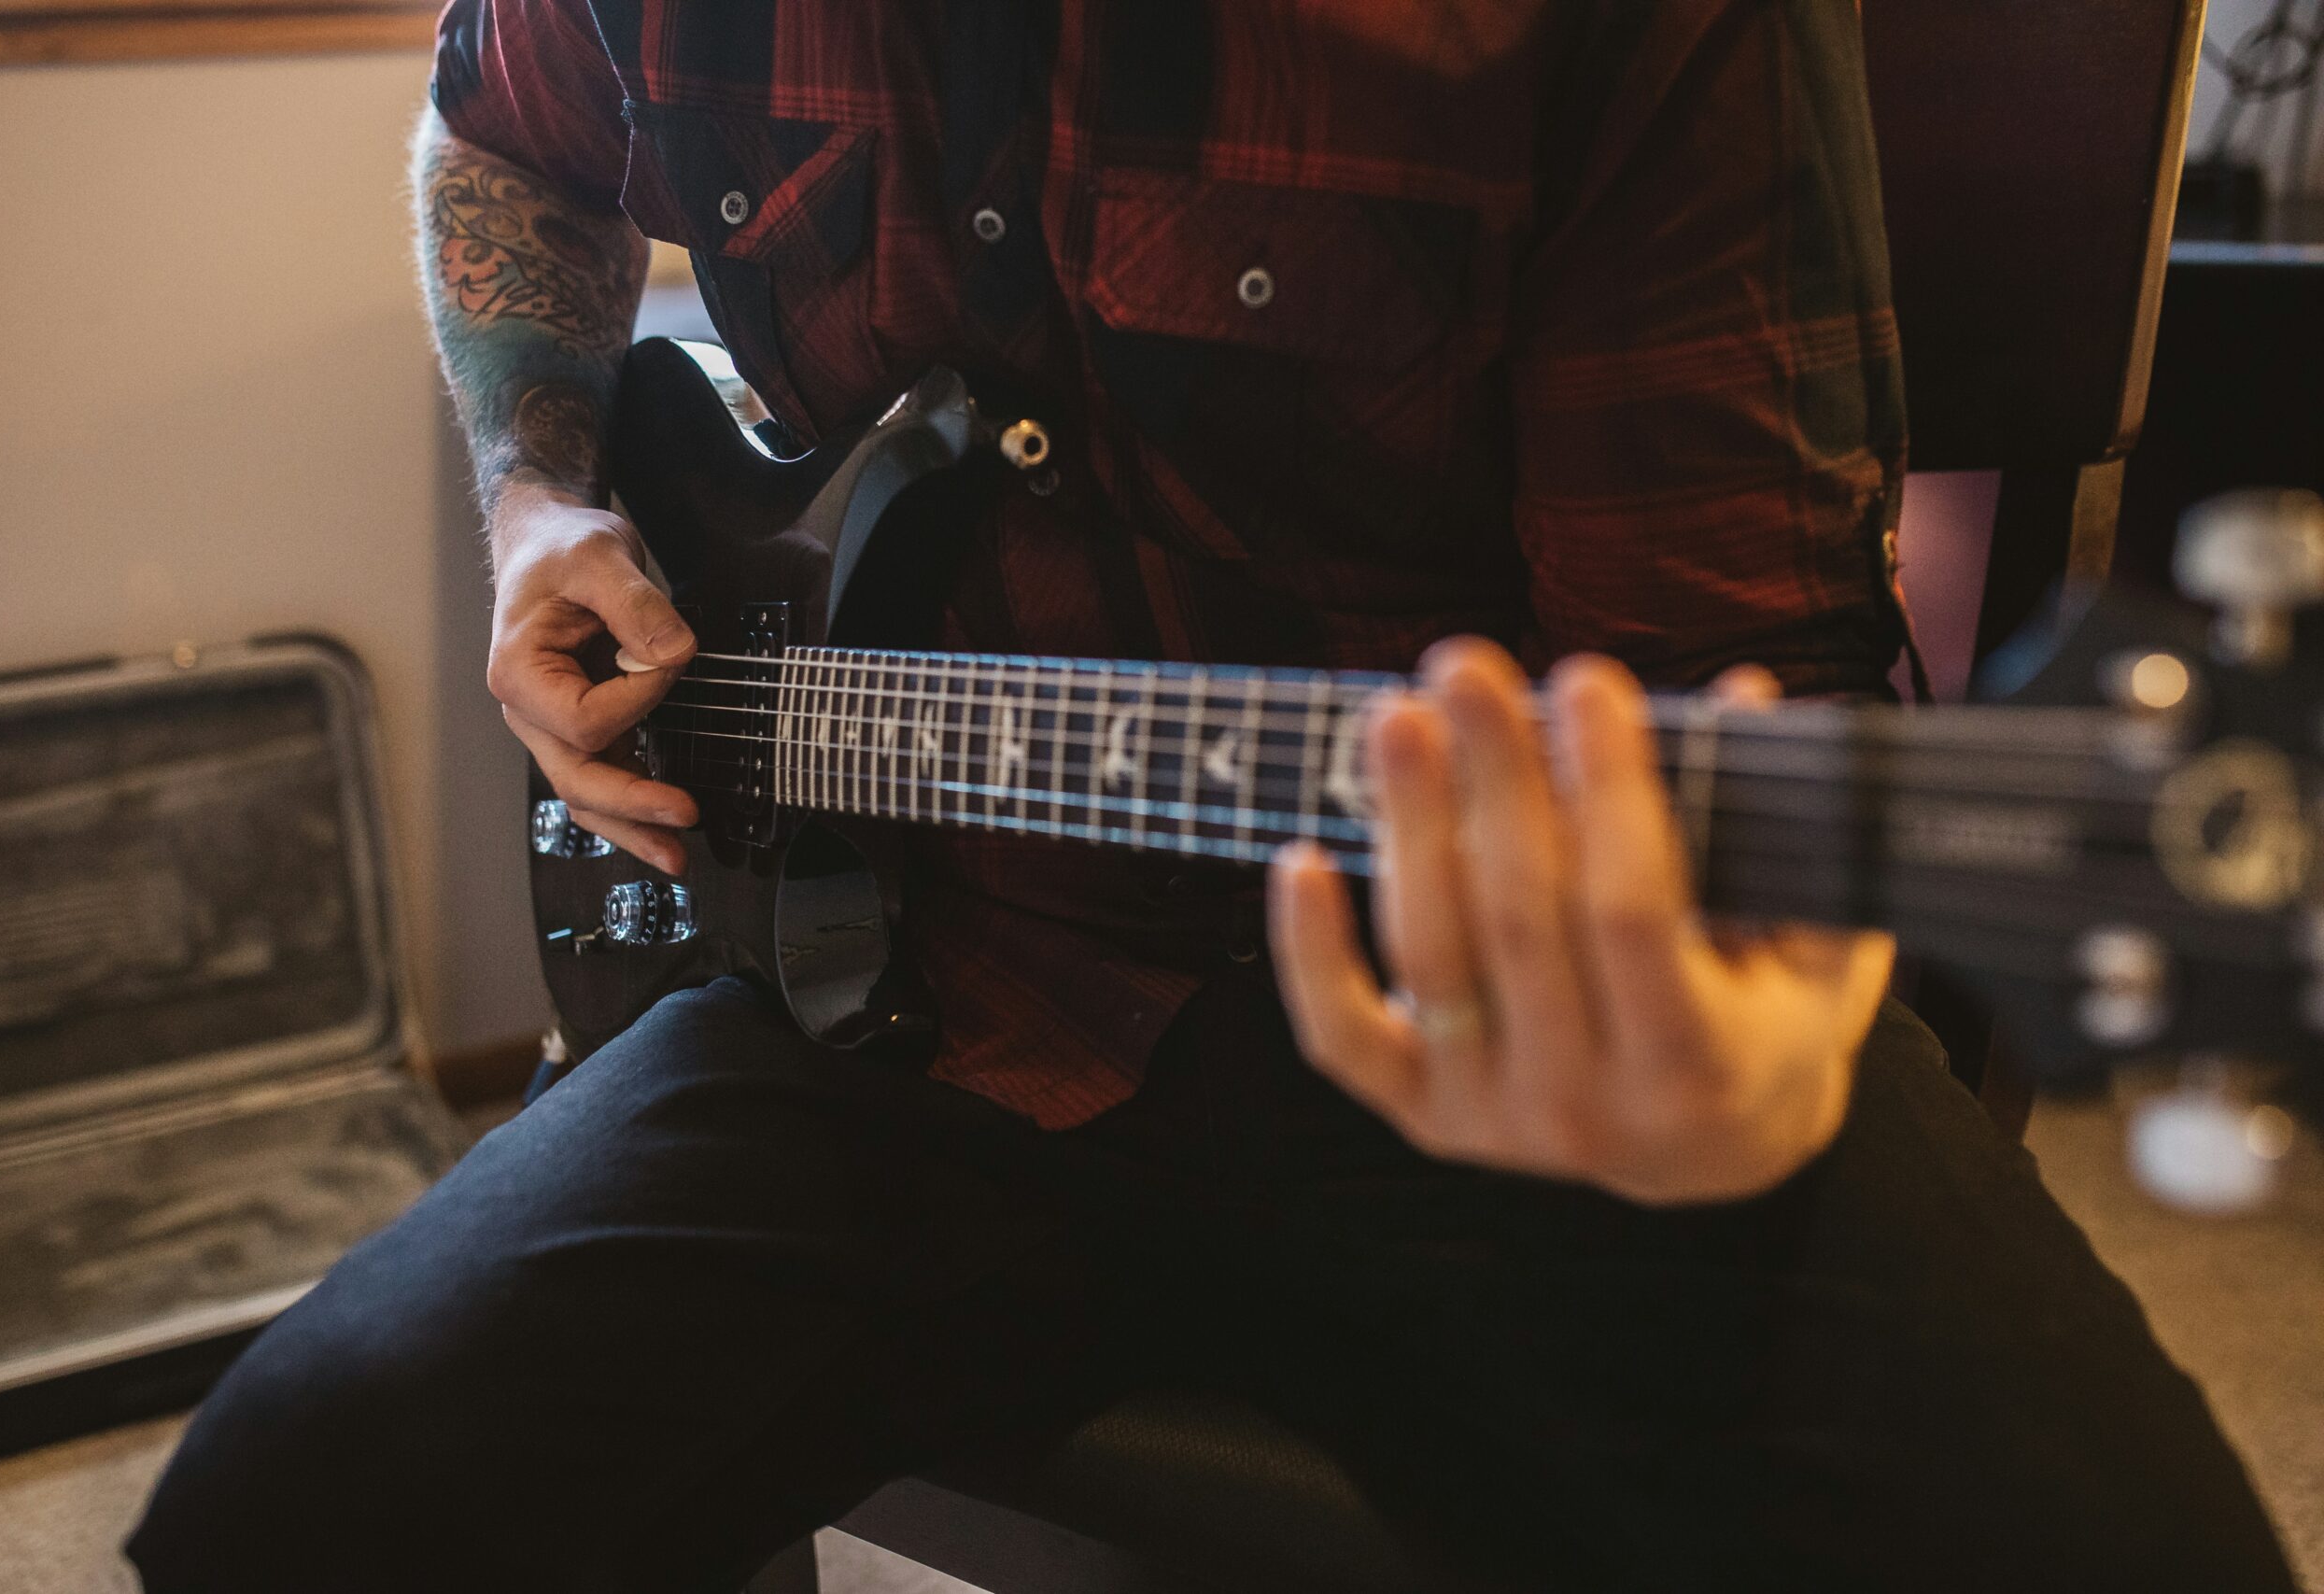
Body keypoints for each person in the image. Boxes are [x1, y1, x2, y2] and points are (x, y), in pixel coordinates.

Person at [127, 2, 2297, 1588]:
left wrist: (1734, 1061)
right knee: (292, 1504)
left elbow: (1725, 671)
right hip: (899, 996)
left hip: (1488, 1034)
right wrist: (533, 497)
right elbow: (492, 139)